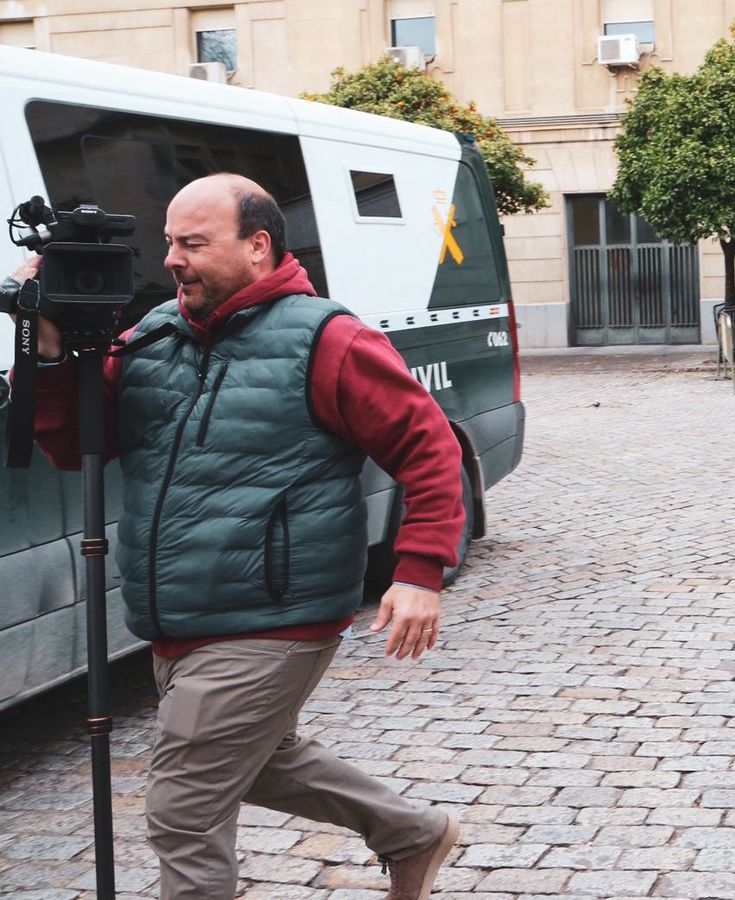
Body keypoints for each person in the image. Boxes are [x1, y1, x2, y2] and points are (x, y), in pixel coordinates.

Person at [15, 174, 465, 899]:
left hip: (275, 615)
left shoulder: (329, 338)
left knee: (182, 807)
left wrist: (417, 573)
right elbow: (75, 448)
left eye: (193, 244)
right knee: (259, 760)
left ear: (257, 247)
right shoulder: (152, 336)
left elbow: (430, 448)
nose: (172, 260)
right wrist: (45, 352)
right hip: (179, 614)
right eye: (168, 243)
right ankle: (411, 831)